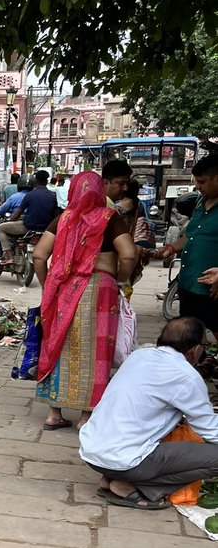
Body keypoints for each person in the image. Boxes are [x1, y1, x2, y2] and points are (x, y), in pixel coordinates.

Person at [33, 170, 137, 429]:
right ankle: (86, 417)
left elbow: (38, 256)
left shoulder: (63, 219)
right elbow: (129, 255)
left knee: (58, 345)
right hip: (100, 290)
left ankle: (54, 413)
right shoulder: (110, 219)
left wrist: (48, 286)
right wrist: (120, 279)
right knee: (95, 351)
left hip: (64, 290)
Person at [79, 316, 218, 509]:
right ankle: (135, 488)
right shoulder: (186, 376)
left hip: (91, 452)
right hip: (124, 461)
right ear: (195, 350)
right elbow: (210, 429)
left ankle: (110, 478)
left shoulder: (139, 355)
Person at [157, 151, 218, 342]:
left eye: (202, 182)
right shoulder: (201, 202)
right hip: (189, 281)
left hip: (212, 286)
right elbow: (193, 234)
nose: (198, 187)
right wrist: (172, 247)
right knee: (190, 332)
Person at [0, 170, 58, 261]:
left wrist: (9, 220)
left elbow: (17, 214)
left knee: (0, 228)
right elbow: (55, 215)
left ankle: (9, 256)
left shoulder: (29, 195)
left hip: (28, 228)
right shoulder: (52, 195)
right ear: (46, 181)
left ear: (36, 181)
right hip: (46, 230)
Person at [0, 185, 29, 260]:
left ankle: (0, 255)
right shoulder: (34, 196)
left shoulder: (15, 197)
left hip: (20, 224)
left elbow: (1, 209)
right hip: (34, 226)